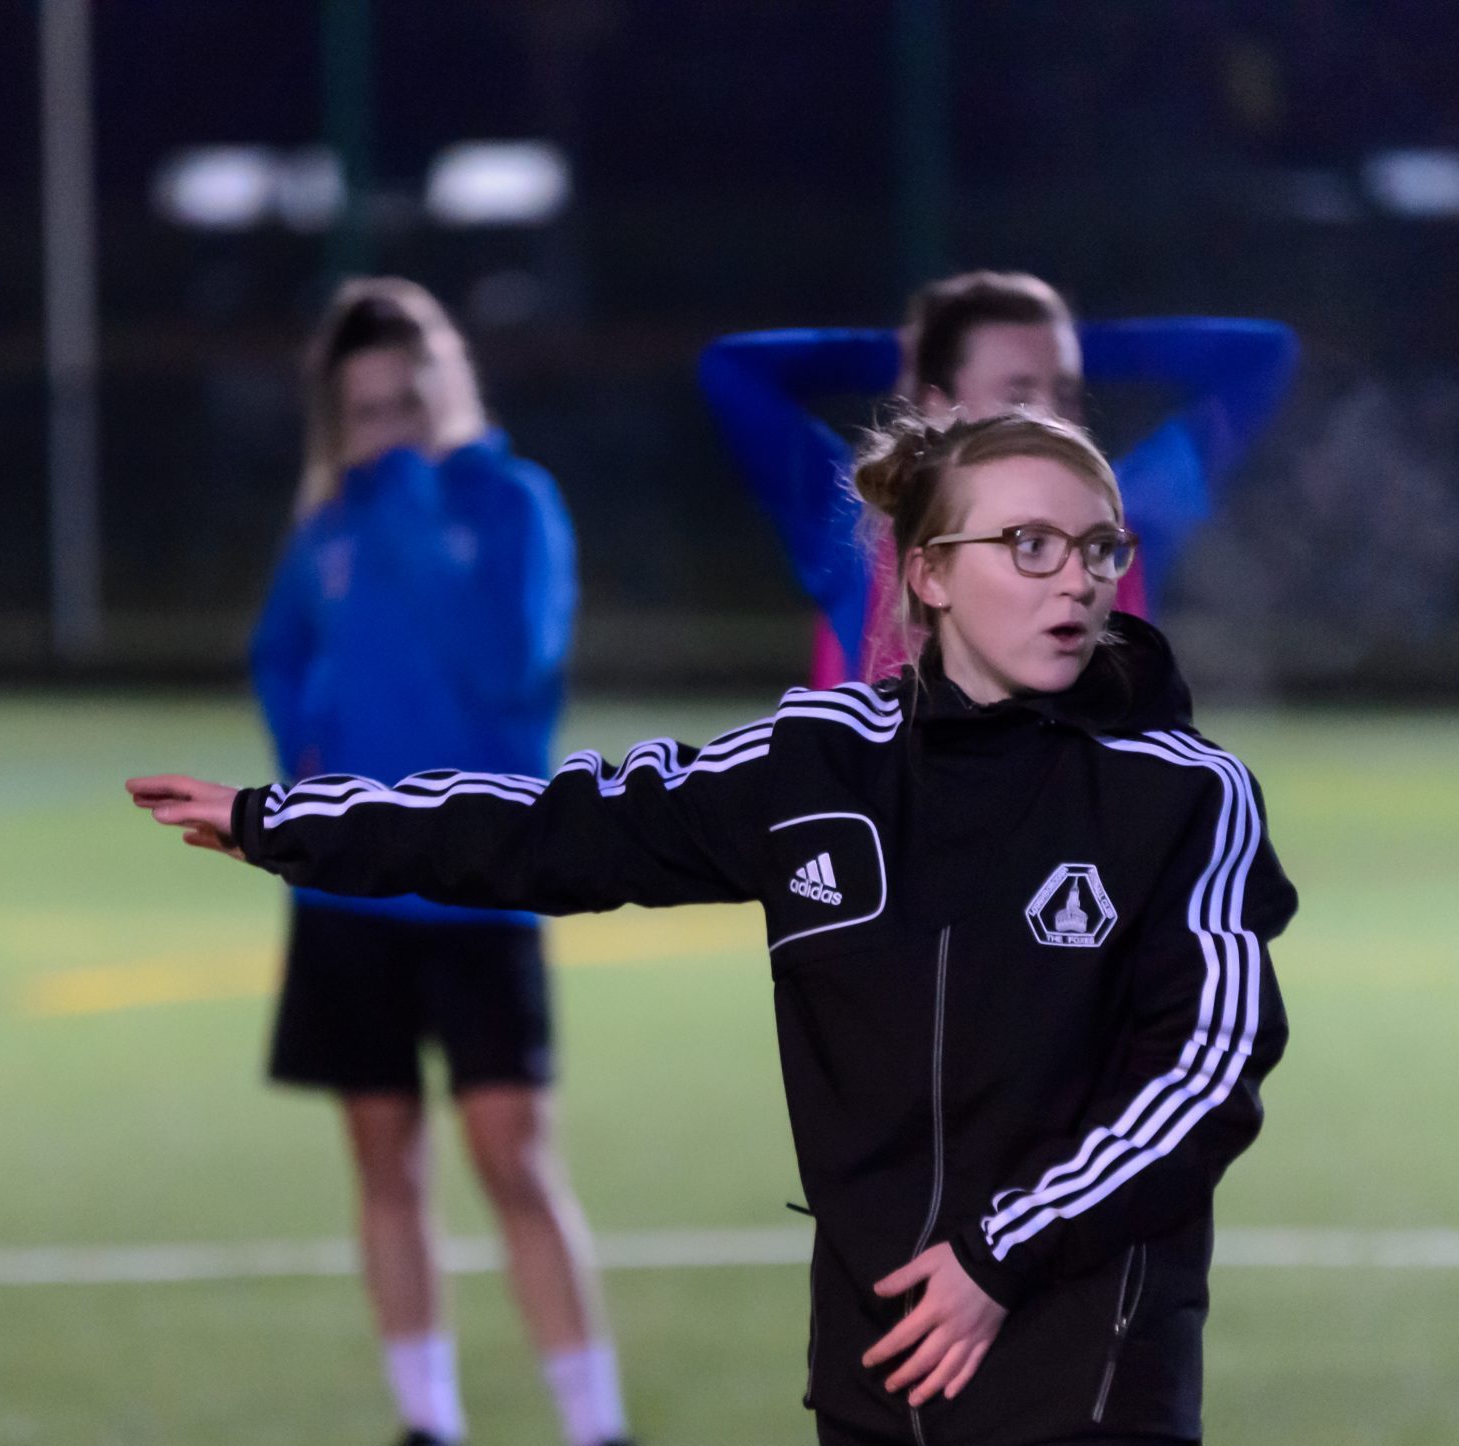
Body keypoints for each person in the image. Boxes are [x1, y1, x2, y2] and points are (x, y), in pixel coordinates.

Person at [135, 409, 1296, 1446]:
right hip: (877, 1364)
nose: (1078, 582)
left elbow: (1205, 1072)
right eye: (1030, 545)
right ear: (930, 573)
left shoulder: (1179, 793)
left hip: (1083, 1369)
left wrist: (1004, 1255)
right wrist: (284, 820)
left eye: (1101, 549)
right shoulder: (813, 765)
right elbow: (553, 829)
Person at [245, 278, 630, 1446]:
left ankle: (594, 1425)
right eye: (362, 413)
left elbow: (509, 666)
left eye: (402, 403)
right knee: (384, 1164)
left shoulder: (509, 502)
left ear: (443, 388)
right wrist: (305, 766)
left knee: (513, 1158)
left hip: (478, 878)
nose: (386, 431)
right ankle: (427, 1421)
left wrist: (411, 492)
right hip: (351, 887)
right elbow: (278, 653)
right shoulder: (331, 524)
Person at [699, 269, 1296, 686]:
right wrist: (902, 353)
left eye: (1065, 390)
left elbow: (1263, 357)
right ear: (936, 404)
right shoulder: (858, 525)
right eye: (1019, 391)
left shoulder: (1125, 517)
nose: (1052, 415)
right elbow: (733, 371)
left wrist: (1060, 342)